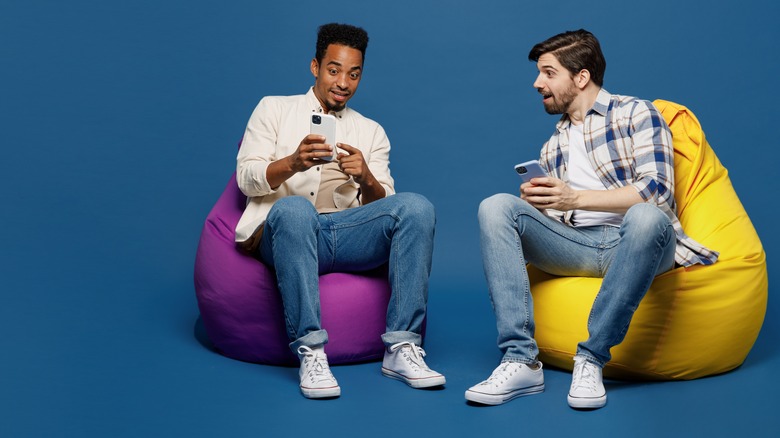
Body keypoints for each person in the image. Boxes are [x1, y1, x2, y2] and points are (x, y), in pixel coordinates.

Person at [465, 29, 718, 409]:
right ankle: (520, 359)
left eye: (548, 73)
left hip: (639, 243)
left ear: (581, 76)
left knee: (647, 217)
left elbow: (657, 191)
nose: (537, 83)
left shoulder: (636, 113)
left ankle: (591, 357)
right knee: (495, 206)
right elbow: (557, 215)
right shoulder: (553, 145)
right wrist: (538, 205)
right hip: (579, 244)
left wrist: (575, 196)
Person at [234, 23, 445, 399]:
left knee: (417, 206)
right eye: (334, 70)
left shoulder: (372, 131)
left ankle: (401, 347)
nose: (343, 82)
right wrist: (293, 162)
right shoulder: (274, 108)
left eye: (353, 73)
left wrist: (365, 178)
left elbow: (387, 213)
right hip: (282, 230)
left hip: (344, 234)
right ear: (315, 67)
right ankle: (312, 351)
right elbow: (246, 179)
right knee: (296, 209)